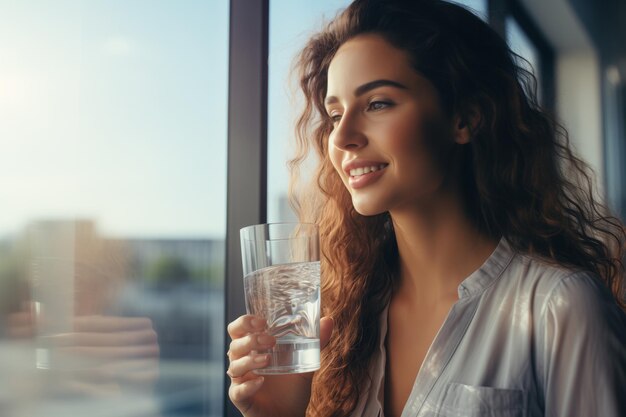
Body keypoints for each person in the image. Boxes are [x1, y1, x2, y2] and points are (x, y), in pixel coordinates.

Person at [227, 0, 626, 415]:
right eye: (334, 114)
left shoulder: (560, 307)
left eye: (378, 103)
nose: (342, 136)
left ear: (464, 118)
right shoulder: (339, 322)